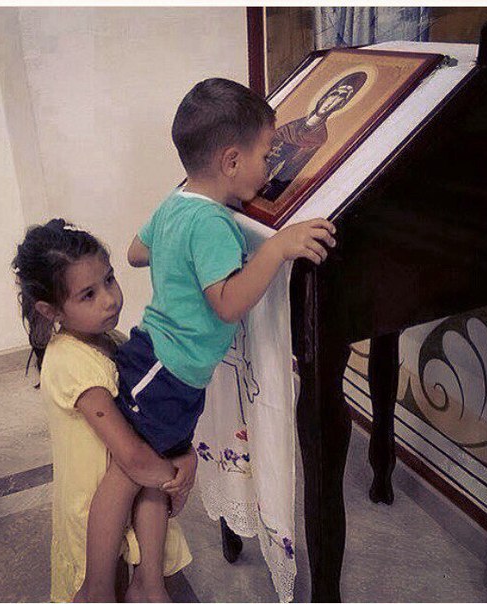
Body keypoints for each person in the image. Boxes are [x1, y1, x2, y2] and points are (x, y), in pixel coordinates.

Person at [79, 77, 338, 600]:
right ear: (231, 161)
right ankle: (96, 589)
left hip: (170, 369)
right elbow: (227, 303)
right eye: (266, 154)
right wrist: (276, 248)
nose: (271, 165)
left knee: (158, 474)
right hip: (165, 373)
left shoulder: (177, 204)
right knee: (127, 474)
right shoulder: (213, 224)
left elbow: (135, 252)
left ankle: (148, 583)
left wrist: (175, 251)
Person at [11, 219, 196, 603]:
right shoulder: (72, 362)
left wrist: (185, 453)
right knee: (102, 588)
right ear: (50, 310)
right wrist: (175, 478)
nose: (110, 299)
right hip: (97, 511)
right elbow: (132, 456)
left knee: (140, 571)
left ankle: (147, 586)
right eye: (88, 294)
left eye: (109, 280)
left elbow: (149, 420)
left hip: (133, 498)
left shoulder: (111, 340)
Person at [260, 71, 368, 201]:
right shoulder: (293, 124)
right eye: (334, 94)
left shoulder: (320, 137)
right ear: (325, 96)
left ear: (341, 105)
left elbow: (294, 170)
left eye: (341, 98)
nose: (333, 102)